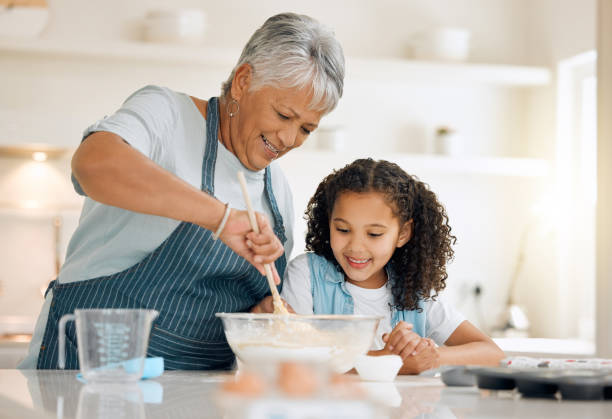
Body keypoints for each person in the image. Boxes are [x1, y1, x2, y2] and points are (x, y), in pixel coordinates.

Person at [19, 12, 345, 370]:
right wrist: (220, 219)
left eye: (306, 129)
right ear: (242, 81)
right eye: (283, 115)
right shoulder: (166, 115)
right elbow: (91, 164)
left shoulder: (277, 192)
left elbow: (241, 320)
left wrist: (263, 315)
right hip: (94, 374)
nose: (288, 139)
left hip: (199, 399)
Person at [281, 159, 505, 374]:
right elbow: (295, 358)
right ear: (328, 222)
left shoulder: (414, 289)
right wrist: (392, 361)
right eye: (343, 230)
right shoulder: (306, 274)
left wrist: (429, 357)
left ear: (403, 233)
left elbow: (492, 353)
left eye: (374, 234)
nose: (356, 247)